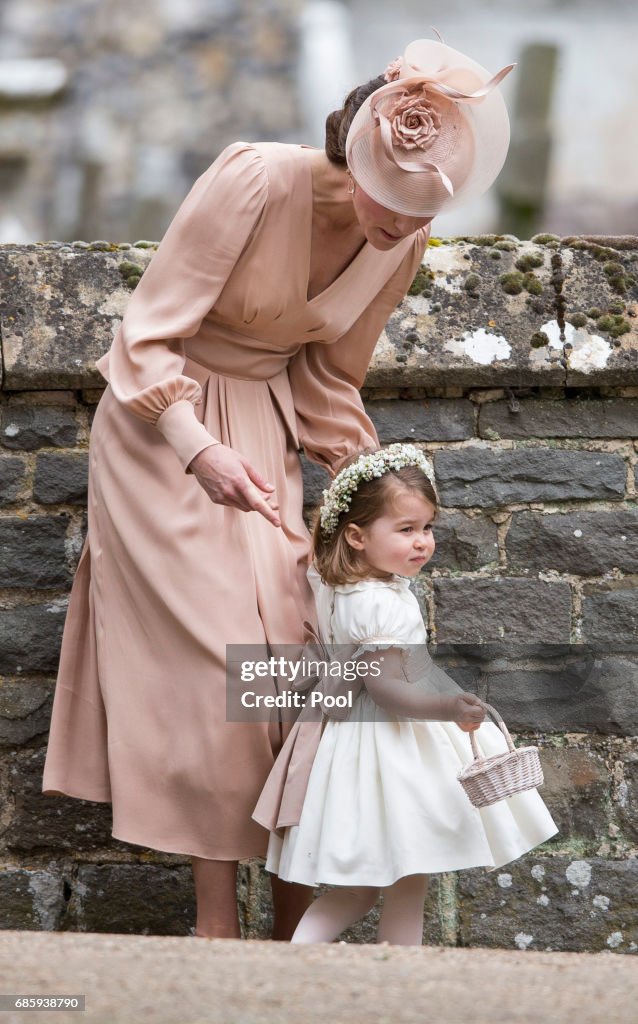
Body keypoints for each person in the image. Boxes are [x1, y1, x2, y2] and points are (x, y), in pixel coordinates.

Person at [41, 36, 515, 940]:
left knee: (296, 662)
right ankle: (219, 924)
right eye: (398, 202)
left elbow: (329, 379)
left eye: (425, 211)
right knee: (221, 662)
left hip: (262, 428)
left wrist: (365, 475)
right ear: (362, 153)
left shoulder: (400, 244)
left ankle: (299, 915)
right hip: (161, 430)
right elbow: (143, 337)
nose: (406, 224)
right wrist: (196, 448)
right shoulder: (257, 179)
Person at [253, 444, 559, 945]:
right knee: (395, 883)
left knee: (372, 887)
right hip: (390, 752)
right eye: (406, 530)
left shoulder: (342, 587)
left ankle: (316, 966)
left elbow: (398, 669)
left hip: (348, 743)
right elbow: (387, 689)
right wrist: (444, 706)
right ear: (355, 536)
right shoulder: (382, 604)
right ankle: (342, 972)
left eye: (427, 528)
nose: (422, 543)